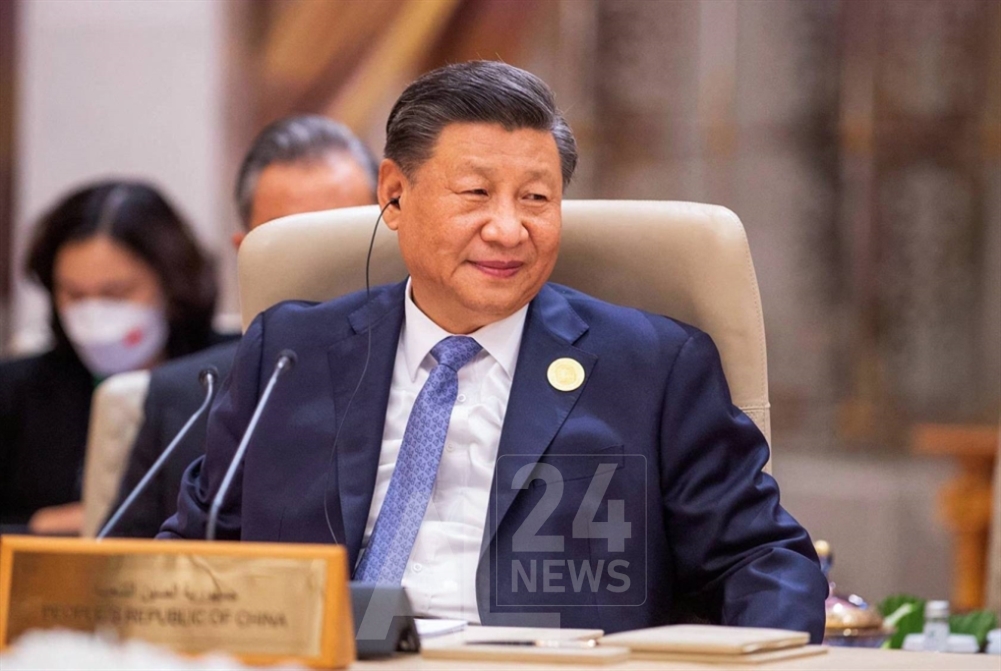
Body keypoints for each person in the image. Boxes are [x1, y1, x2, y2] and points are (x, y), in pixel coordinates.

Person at [160, 61, 828, 640]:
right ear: (394, 195)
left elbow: (760, 560)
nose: (508, 229)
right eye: (476, 193)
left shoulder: (651, 367)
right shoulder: (290, 354)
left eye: (536, 198)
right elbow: (198, 548)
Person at [104, 115, 378, 538]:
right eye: (295, 244)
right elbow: (126, 566)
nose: (323, 263)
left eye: (342, 240)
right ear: (246, 252)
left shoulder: (437, 374)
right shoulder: (186, 397)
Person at [0, 181, 218, 533]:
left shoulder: (229, 376)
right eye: (74, 294)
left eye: (115, 293)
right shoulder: (14, 391)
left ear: (172, 284)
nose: (93, 313)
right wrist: (40, 525)